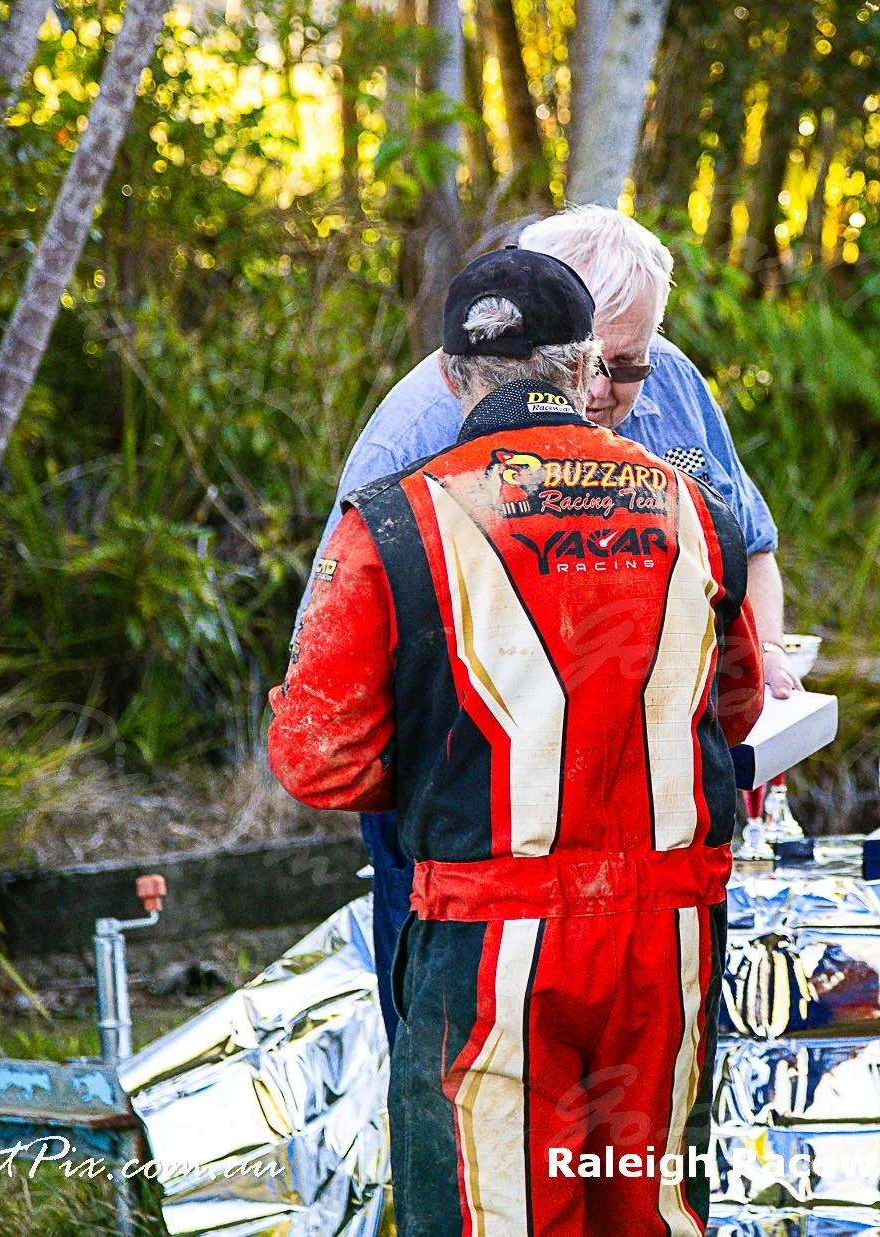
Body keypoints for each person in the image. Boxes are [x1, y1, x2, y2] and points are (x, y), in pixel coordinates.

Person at [269, 247, 763, 1236]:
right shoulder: (694, 508)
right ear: (584, 372)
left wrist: (458, 767)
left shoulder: (397, 522)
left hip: (489, 940)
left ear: (453, 378)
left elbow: (316, 758)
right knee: (652, 1210)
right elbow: (740, 706)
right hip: (665, 937)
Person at [311, 205, 794, 1043]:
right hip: (469, 842)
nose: (606, 390)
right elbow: (335, 701)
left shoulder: (673, 384)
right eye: (591, 363)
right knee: (460, 1085)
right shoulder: (414, 439)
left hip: (640, 841)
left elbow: (748, 557)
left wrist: (766, 655)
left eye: (630, 364)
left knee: (634, 1102)